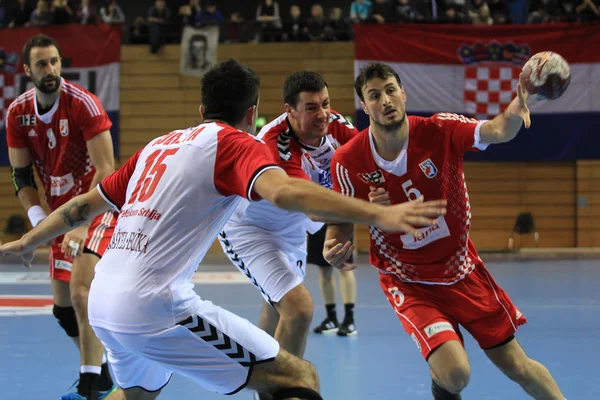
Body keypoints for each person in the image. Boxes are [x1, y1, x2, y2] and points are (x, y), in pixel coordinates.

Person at [0, 59, 447, 400]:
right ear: (253, 112)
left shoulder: (157, 144)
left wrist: (28, 240)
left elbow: (80, 207)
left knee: (136, 394)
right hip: (154, 307)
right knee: (300, 377)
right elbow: (287, 193)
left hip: (103, 304)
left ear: (201, 108)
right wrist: (379, 215)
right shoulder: (237, 143)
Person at [324, 62, 566, 400]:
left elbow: (497, 130)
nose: (385, 100)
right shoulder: (348, 161)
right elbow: (342, 216)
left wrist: (515, 108)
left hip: (462, 271)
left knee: (517, 365)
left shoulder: (440, 129)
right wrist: (336, 245)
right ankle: (444, 382)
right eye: (374, 95)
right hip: (408, 280)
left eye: (391, 90)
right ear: (365, 107)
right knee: (456, 372)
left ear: (403, 94)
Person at [218, 69, 356, 399]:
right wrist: (367, 213)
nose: (322, 114)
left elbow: (369, 164)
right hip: (250, 229)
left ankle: (260, 378)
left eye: (325, 104)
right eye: (311, 108)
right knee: (299, 307)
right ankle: (279, 389)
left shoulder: (336, 126)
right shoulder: (273, 143)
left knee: (280, 305)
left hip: (292, 229)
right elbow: (312, 206)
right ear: (289, 111)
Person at [5, 34, 117, 400]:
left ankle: (89, 389)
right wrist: (40, 223)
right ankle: (103, 373)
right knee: (63, 310)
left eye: (54, 61)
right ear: (27, 71)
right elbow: (22, 176)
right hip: (58, 214)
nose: (50, 69)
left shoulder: (83, 104)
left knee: (82, 292)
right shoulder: (18, 114)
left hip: (96, 205)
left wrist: (84, 223)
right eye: (41, 64)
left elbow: (107, 169)